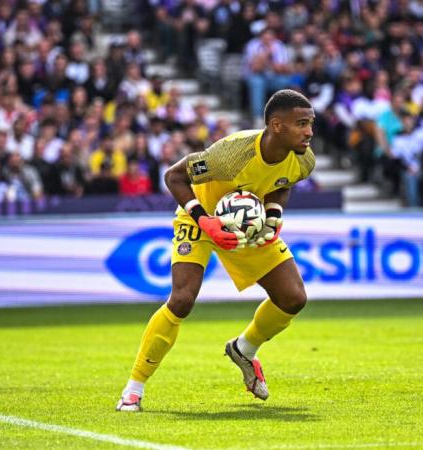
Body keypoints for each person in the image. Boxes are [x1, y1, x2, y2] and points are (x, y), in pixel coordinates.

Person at [116, 90, 316, 412]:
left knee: (293, 297)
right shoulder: (232, 153)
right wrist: (205, 221)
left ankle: (244, 349)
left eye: (311, 124)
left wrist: (274, 214)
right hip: (199, 219)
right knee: (182, 299)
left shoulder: (304, 158)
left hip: (245, 225)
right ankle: (133, 389)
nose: (309, 132)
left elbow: (282, 181)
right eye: (301, 124)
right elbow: (174, 176)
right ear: (276, 125)